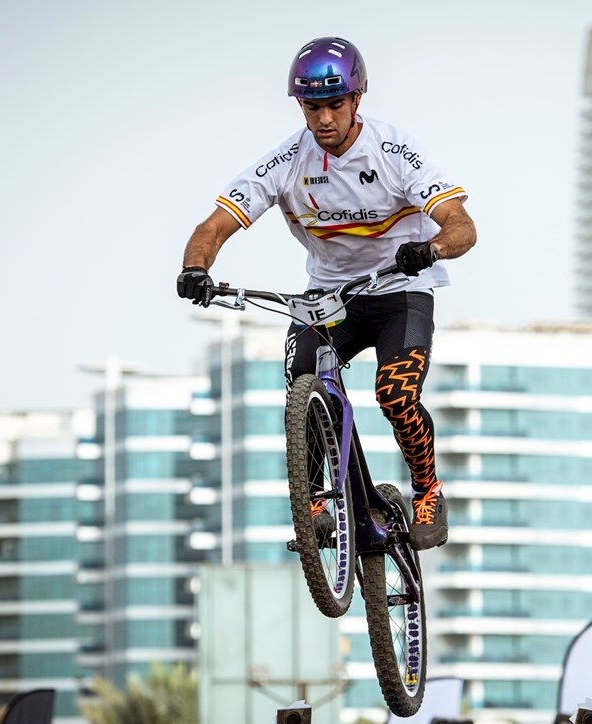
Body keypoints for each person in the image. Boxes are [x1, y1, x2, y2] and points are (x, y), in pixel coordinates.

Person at [176, 36, 476, 551]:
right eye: (312, 107)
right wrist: (194, 268)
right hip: (330, 299)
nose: (324, 120)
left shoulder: (394, 152)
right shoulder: (287, 162)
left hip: (400, 289)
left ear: (358, 98)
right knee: (303, 382)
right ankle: (319, 501)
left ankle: (427, 490)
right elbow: (213, 226)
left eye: (335, 105)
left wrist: (431, 249)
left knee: (396, 396)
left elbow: (462, 226)